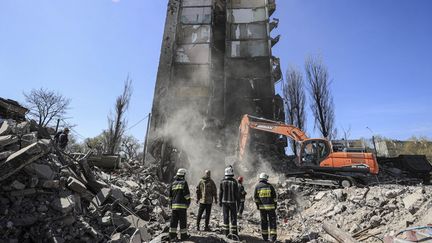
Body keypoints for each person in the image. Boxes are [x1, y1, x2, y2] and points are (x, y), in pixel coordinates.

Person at [169, 168, 191, 241]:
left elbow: (170, 196)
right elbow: (186, 194)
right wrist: (188, 201)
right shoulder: (184, 182)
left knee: (173, 222)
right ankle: (183, 236)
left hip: (174, 206)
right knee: (183, 222)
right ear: (183, 175)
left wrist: (170, 205)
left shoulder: (173, 183)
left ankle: (172, 236)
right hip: (182, 206)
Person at [254, 173, 277, 242]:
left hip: (262, 208)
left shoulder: (257, 186)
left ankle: (265, 238)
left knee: (264, 222)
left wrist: (258, 206)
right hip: (271, 208)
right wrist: (275, 205)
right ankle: (273, 238)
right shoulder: (270, 186)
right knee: (272, 222)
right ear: (266, 179)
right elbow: (274, 198)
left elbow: (256, 198)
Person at [219, 166, 240, 238]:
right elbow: (237, 194)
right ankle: (234, 234)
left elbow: (220, 193)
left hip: (224, 202)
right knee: (233, 218)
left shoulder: (222, 181)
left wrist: (219, 201)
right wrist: (239, 203)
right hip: (232, 202)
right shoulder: (234, 182)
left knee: (225, 217)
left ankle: (226, 233)